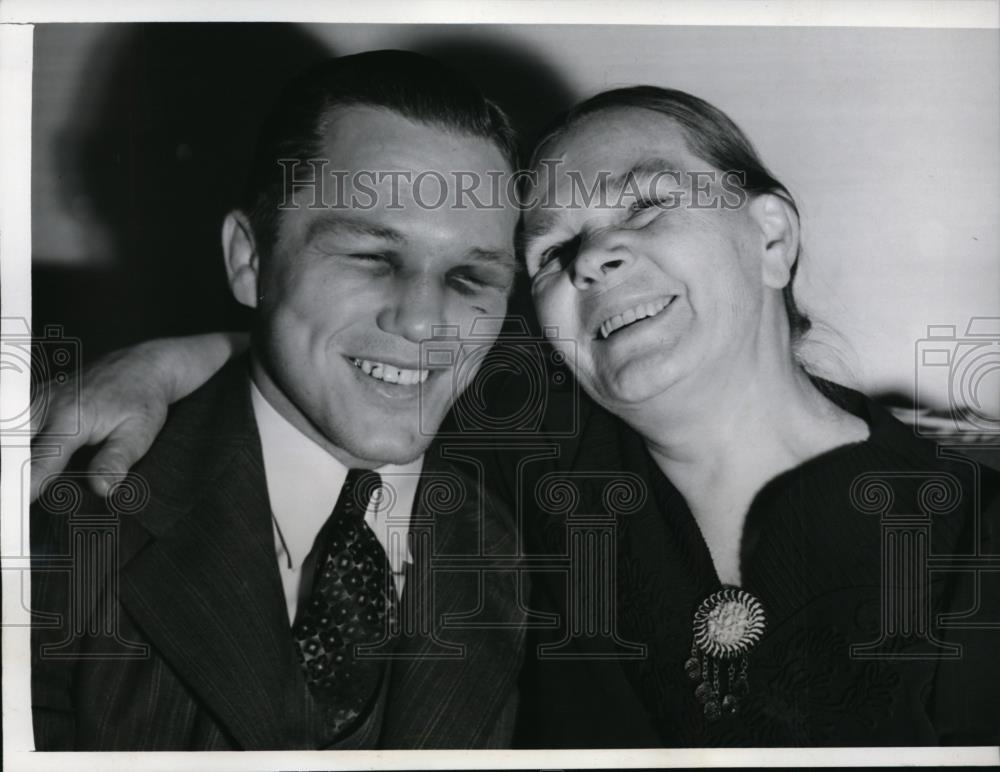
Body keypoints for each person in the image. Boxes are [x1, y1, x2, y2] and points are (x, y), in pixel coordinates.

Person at [33, 84, 1000, 746]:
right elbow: (353, 355)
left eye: (647, 204)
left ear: (773, 237)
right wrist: (167, 363)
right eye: (550, 249)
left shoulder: (968, 529)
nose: (593, 257)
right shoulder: (526, 460)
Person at [30, 50, 526, 751]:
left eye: (470, 277)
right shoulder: (55, 524)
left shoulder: (540, 545)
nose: (423, 323)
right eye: (371, 257)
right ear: (250, 259)